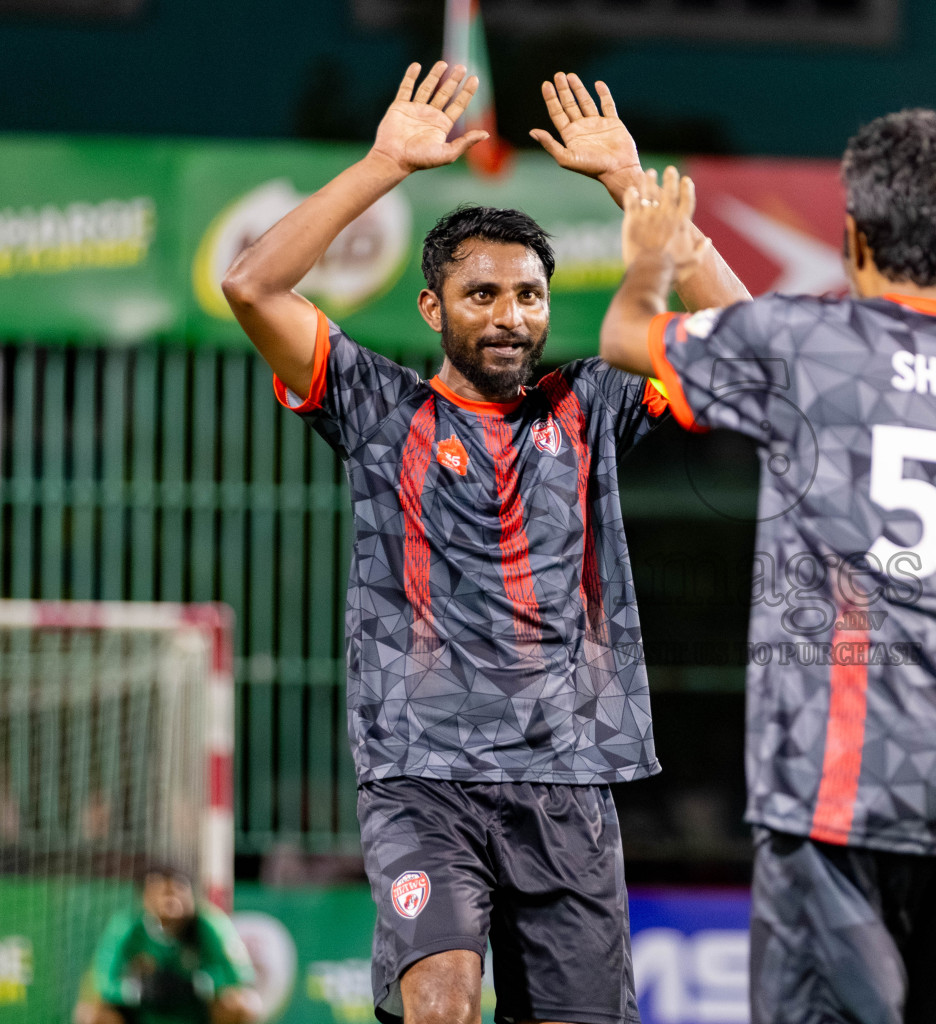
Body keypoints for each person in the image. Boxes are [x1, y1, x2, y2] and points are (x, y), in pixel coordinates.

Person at [220, 62, 747, 1024]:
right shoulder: (378, 406)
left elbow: (746, 343)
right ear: (433, 309)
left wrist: (631, 185)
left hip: (567, 778)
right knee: (444, 1005)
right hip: (423, 775)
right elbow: (250, 283)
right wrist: (385, 163)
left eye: (531, 296)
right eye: (483, 296)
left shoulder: (592, 402)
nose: (511, 317)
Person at [597, 111, 936, 1024]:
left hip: (839, 787)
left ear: (854, 236)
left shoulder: (813, 343)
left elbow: (630, 337)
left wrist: (649, 256)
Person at [74, 865, 260, 1024]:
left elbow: (239, 977)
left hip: (195, 1016)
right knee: (90, 1014)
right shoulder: (127, 927)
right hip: (142, 1015)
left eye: (179, 889)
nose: (170, 898)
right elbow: (103, 982)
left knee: (244, 1004)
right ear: (145, 897)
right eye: (161, 891)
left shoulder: (209, 925)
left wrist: (194, 984)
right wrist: (140, 990)